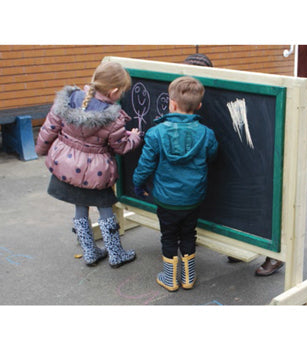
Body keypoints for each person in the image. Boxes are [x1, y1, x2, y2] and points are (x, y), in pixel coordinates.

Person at [184, 53, 284, 276]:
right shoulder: (188, 99)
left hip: (250, 158)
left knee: (266, 205)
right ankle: (237, 247)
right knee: (227, 202)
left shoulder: (230, 93)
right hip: (217, 160)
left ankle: (275, 256)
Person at [35, 61, 142, 268]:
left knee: (80, 206)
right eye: (122, 93)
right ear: (113, 91)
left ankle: (90, 253)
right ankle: (116, 254)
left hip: (66, 166)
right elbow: (120, 147)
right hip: (96, 172)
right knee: (105, 209)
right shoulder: (113, 118)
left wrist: (41, 150)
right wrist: (135, 137)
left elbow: (49, 128)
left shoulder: (69, 100)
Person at [133, 76, 218, 291]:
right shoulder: (207, 134)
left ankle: (170, 279)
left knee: (169, 235)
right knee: (189, 234)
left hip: (166, 199)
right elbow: (212, 155)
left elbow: (145, 165)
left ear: (171, 104)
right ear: (199, 106)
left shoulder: (155, 133)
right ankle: (188, 277)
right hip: (193, 197)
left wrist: (138, 184)